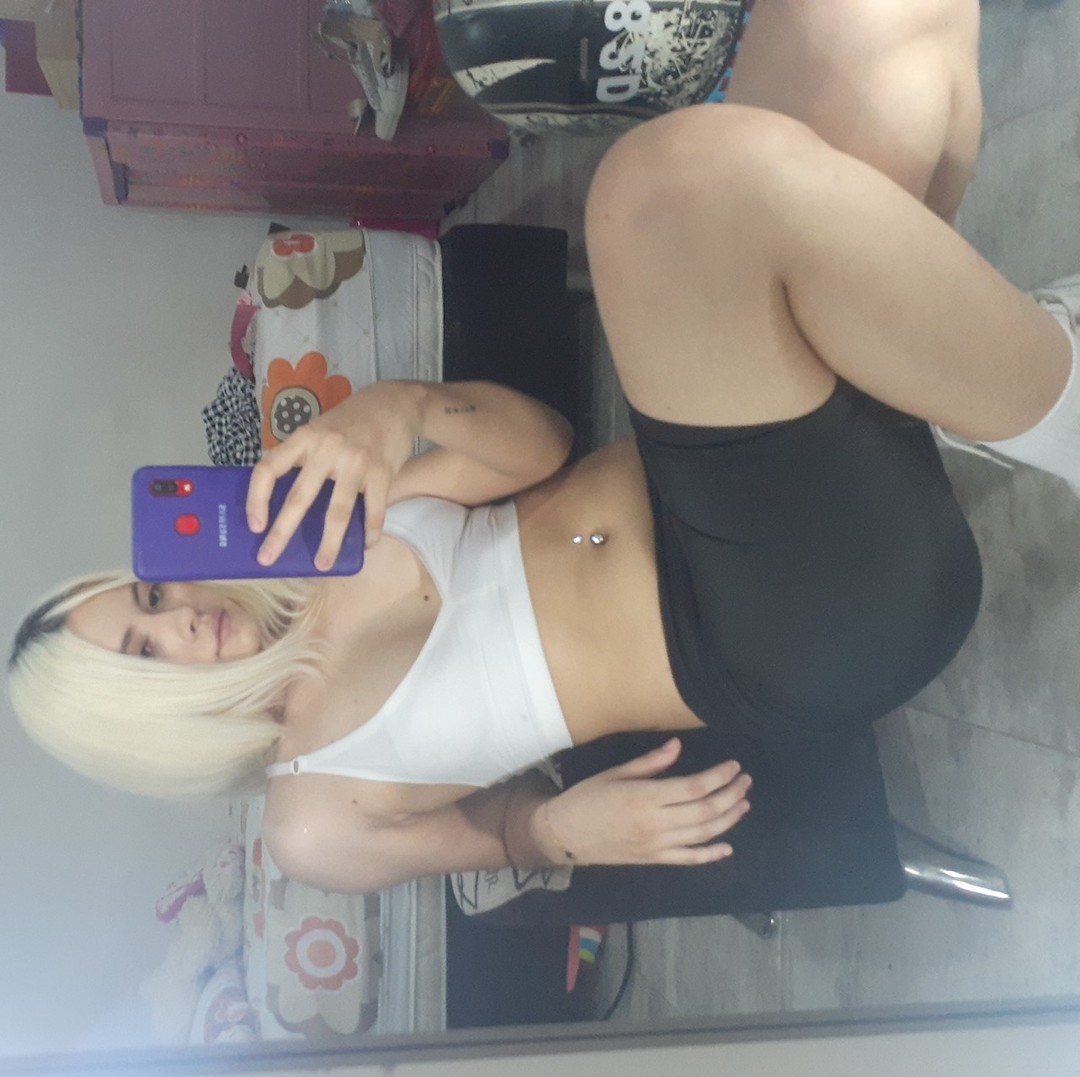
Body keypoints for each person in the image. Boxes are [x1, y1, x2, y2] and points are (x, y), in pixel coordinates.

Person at [9, 0, 1073, 900]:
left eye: (148, 600)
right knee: (658, 191)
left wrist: (394, 408)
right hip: (780, 628)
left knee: (872, 27)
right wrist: (560, 832)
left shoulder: (312, 539)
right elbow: (502, 835)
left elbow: (542, 445)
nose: (181, 623)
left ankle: (982, 378)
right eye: (144, 655)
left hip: (743, 465)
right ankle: (1047, 397)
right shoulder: (312, 816)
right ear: (140, 728)